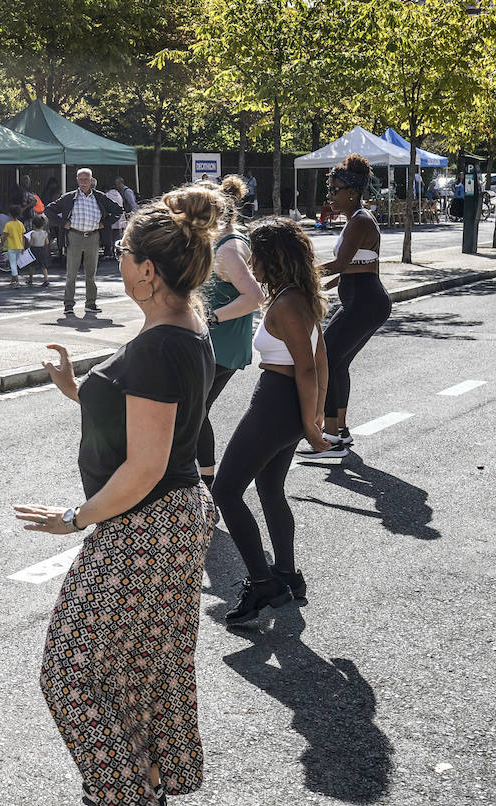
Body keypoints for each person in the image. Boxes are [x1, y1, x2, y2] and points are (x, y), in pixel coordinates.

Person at [15, 184, 222, 806]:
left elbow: (146, 465)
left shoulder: (159, 345)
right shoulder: (186, 326)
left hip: (146, 524)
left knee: (70, 672)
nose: (118, 261)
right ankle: (146, 782)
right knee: (139, 665)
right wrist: (79, 390)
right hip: (170, 520)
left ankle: (123, 793)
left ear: (148, 271)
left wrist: (74, 517)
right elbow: (150, 419)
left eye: (123, 254)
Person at [212, 218, 329, 624]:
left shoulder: (287, 303)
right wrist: (313, 413)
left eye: (254, 256)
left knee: (226, 490)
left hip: (277, 403)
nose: (250, 263)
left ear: (270, 257)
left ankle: (263, 584)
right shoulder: (295, 296)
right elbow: (320, 358)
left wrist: (312, 424)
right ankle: (287, 575)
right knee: (269, 487)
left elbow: (309, 367)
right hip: (286, 404)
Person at [297, 154, 391, 460]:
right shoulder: (358, 219)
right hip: (366, 301)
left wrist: (300, 275)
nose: (330, 196)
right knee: (337, 363)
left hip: (365, 302)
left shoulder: (360, 220)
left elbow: (339, 264)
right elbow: (356, 268)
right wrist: (320, 287)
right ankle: (340, 431)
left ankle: (331, 440)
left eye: (334, 190)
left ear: (351, 192)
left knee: (325, 360)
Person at [197, 176, 264, 487]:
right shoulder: (216, 240)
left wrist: (211, 318)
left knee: (194, 412)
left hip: (222, 345)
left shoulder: (229, 248)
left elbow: (254, 297)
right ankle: (202, 481)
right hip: (215, 342)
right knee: (193, 411)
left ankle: (206, 484)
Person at [44, 167, 124, 315]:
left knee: (91, 273)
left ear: (91, 180)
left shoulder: (100, 197)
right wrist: (63, 223)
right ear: (77, 181)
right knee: (71, 274)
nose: (83, 182)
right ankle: (68, 304)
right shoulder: (69, 197)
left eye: (86, 179)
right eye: (80, 179)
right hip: (74, 236)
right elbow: (48, 210)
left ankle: (90, 303)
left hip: (93, 237)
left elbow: (118, 210)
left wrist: (104, 223)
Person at [2, 205, 26, 288]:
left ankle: (17, 282)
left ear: (10, 214)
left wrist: (1, 245)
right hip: (19, 247)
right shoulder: (20, 224)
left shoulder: (8, 224)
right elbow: (23, 237)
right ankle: (12, 281)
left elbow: (5, 236)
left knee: (12, 265)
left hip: (11, 247)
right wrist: (23, 246)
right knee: (15, 264)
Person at [26, 216, 50, 288]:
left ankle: (30, 279)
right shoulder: (45, 233)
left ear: (33, 225)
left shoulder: (32, 233)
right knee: (43, 265)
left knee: (32, 265)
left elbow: (31, 243)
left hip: (34, 249)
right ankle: (46, 279)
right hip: (42, 249)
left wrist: (28, 240)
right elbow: (47, 242)